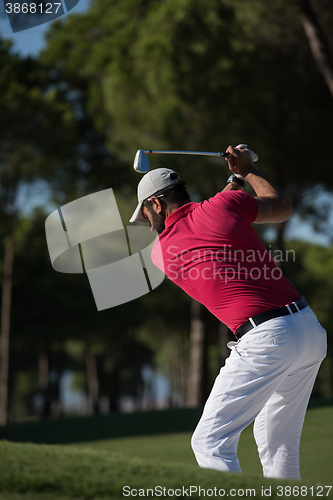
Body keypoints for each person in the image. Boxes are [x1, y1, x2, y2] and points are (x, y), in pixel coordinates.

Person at [129, 145, 327, 479]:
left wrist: (238, 176)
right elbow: (280, 208)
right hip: (308, 330)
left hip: (267, 340)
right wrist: (247, 171)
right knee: (277, 444)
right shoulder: (224, 206)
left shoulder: (161, 253)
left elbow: (204, 218)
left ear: (157, 204)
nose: (148, 225)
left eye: (146, 214)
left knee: (210, 442)